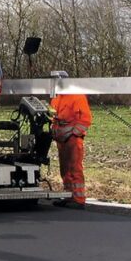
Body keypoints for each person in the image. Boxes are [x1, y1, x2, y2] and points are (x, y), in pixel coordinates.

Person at [49, 71, 91, 209]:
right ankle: (68, 195)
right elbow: (53, 116)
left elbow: (85, 119)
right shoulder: (56, 98)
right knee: (65, 169)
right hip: (61, 139)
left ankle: (78, 199)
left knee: (75, 168)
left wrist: (74, 134)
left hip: (73, 139)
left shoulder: (77, 96)